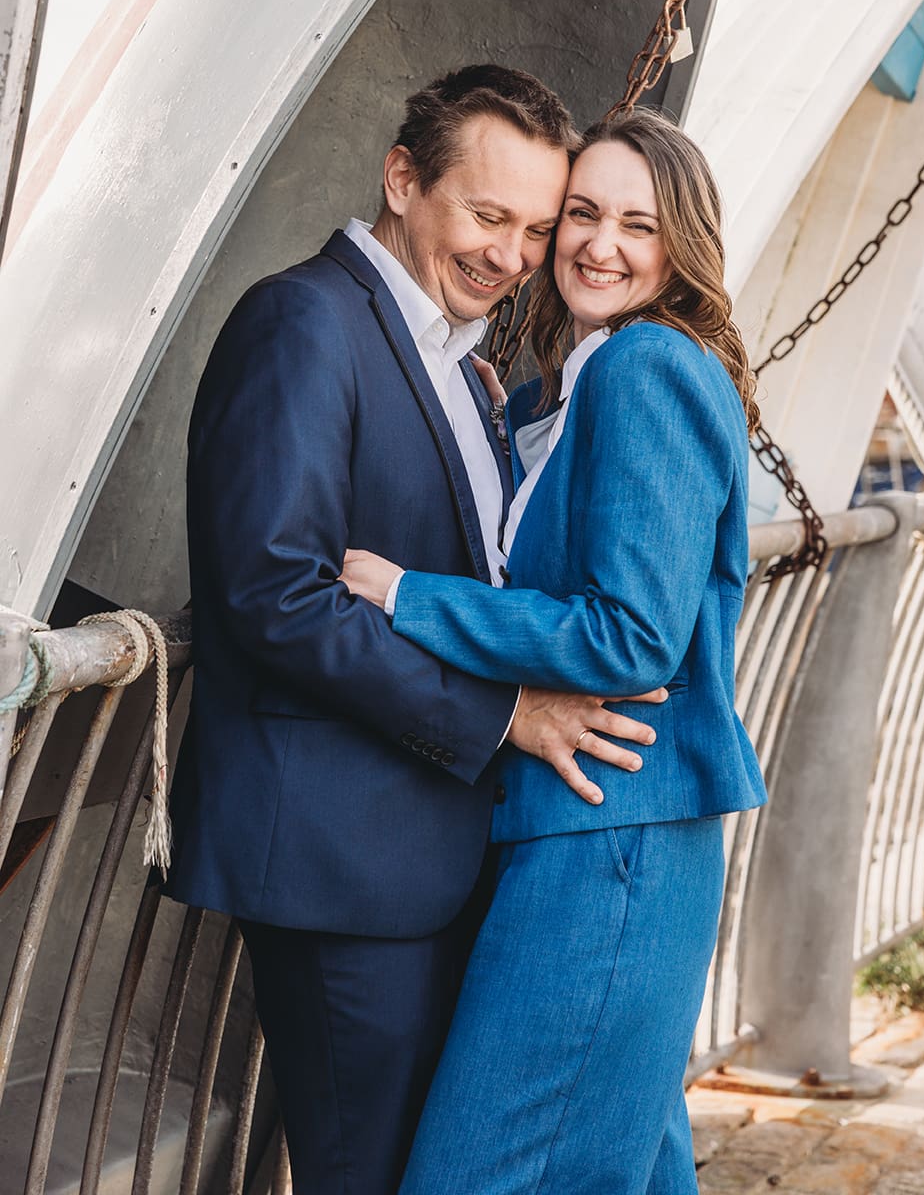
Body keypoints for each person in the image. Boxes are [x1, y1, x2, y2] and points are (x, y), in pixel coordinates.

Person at [163, 66, 664, 1195]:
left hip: (420, 855)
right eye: (489, 216)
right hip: (342, 863)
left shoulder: (456, 359)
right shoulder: (301, 319)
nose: (512, 255)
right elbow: (273, 594)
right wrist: (504, 720)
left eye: (537, 229)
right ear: (402, 179)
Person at [341, 108, 769, 1194]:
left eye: (637, 223)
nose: (599, 245)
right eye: (580, 214)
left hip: (606, 841)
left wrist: (409, 598)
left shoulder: (644, 370)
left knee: (485, 1173)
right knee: (624, 1166)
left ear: (681, 244)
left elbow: (632, 634)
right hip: (612, 834)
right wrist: (501, 415)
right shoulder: (582, 378)